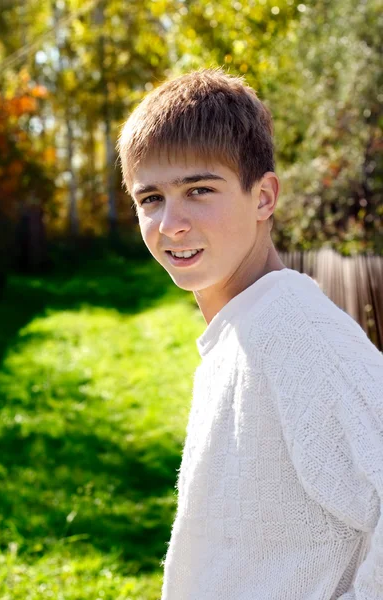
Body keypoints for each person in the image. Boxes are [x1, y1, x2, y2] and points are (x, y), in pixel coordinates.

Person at [117, 68, 383, 600]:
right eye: (151, 199)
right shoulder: (244, 326)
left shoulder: (301, 333)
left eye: (198, 190)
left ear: (263, 197)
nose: (171, 223)